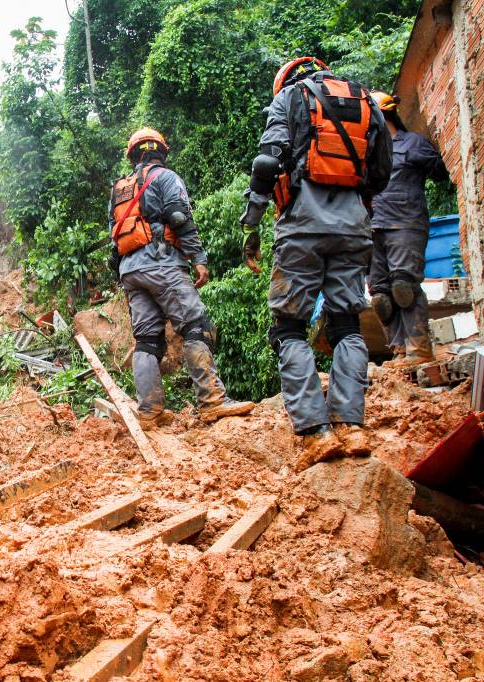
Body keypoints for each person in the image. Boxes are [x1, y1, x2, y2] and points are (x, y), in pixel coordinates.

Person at [239, 57, 392, 470]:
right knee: (346, 323)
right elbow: (381, 171)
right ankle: (352, 425)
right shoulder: (366, 101)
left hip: (301, 226)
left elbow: (268, 162)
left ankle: (315, 432)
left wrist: (252, 222)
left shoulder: (291, 97)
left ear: (285, 81)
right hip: (354, 227)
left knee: (288, 326)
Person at [110, 127, 255, 427]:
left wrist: (123, 276)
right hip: (161, 262)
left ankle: (149, 411)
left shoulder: (119, 189)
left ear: (133, 155)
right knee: (197, 326)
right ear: (160, 152)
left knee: (147, 340)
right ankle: (212, 401)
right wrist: (198, 259)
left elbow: (115, 239)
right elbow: (179, 218)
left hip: (131, 270)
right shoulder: (166, 177)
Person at [368, 90, 449, 368]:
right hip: (373, 228)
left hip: (405, 223)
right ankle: (400, 351)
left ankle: (420, 349)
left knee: (404, 286)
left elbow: (441, 172)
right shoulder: (366, 155)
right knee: (380, 295)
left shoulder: (412, 143)